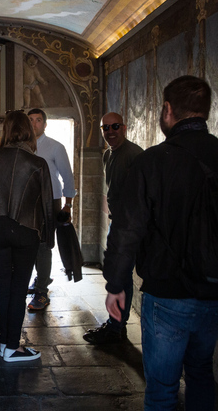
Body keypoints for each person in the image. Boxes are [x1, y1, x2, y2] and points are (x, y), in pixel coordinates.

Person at [103, 76, 218, 409]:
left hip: (168, 293)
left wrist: (116, 283)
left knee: (162, 387)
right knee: (201, 372)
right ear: (204, 113)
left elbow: (127, 229)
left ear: (167, 110)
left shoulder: (152, 162)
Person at [0, 111, 54, 362]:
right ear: (28, 130)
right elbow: (47, 204)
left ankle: (4, 340)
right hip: (26, 231)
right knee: (18, 288)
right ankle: (12, 347)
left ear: (6, 130)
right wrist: (49, 238)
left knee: (3, 286)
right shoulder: (38, 163)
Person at [83, 112, 143, 344]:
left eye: (115, 126)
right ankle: (116, 324)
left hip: (130, 226)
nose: (110, 131)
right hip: (118, 223)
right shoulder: (109, 154)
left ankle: (116, 327)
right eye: (105, 128)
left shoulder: (134, 155)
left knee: (121, 274)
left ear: (124, 127)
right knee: (119, 275)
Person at [26, 108, 77, 311]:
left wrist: (68, 204)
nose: (34, 123)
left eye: (38, 120)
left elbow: (67, 176)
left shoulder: (55, 147)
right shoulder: (23, 148)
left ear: (45, 124)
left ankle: (42, 293)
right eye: (30, 120)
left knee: (44, 245)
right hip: (28, 203)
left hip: (50, 201)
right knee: (30, 243)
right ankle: (40, 279)